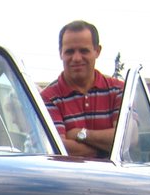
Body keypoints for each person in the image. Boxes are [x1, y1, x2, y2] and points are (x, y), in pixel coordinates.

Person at [40, 20, 125, 159]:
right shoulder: (47, 98)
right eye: (70, 51)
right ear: (61, 53)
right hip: (69, 179)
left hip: (115, 180)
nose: (77, 58)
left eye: (84, 51)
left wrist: (80, 133)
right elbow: (57, 149)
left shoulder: (119, 90)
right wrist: (104, 151)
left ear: (97, 51)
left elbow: (127, 141)